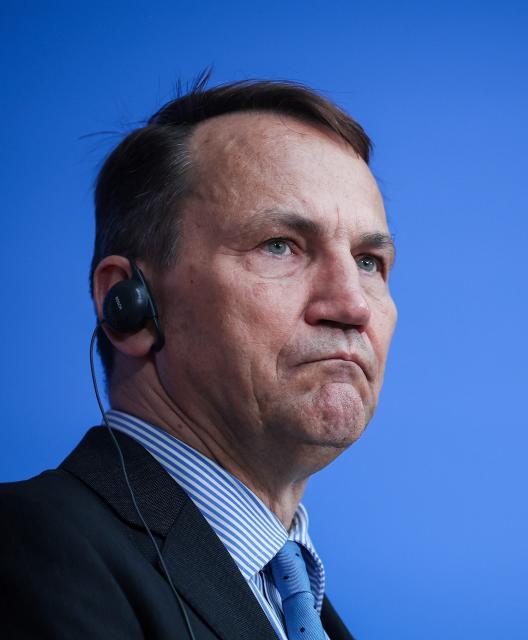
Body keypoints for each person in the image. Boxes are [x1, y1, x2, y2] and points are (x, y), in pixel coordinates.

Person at [0, 75, 398, 640]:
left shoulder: (299, 606)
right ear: (130, 305)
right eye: (280, 245)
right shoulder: (28, 551)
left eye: (368, 261)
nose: (352, 305)